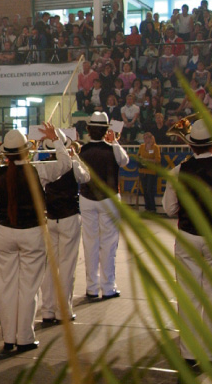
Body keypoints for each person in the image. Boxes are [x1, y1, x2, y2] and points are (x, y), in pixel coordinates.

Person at [0, 126, 71, 352]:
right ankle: (24, 337)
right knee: (28, 289)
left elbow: (5, 173)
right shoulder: (39, 171)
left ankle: (8, 338)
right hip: (32, 233)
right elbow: (66, 164)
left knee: (6, 287)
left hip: (5, 232)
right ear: (26, 150)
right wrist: (56, 140)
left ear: (5, 153)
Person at [162, 119, 212, 366]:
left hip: (188, 237)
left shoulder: (179, 171)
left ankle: (188, 353)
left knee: (188, 296)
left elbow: (169, 208)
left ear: (191, 145)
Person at [38, 135, 91, 325]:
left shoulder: (42, 165)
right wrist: (74, 156)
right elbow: (86, 177)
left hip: (51, 217)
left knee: (50, 266)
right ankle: (63, 310)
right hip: (69, 217)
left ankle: (48, 309)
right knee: (67, 266)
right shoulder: (71, 165)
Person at [79, 111, 129, 300]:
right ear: (107, 129)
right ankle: (108, 287)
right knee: (109, 244)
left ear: (88, 130)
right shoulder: (113, 149)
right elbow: (125, 161)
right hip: (109, 199)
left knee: (90, 243)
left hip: (86, 198)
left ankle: (92, 287)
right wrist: (114, 141)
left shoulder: (82, 150)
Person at [138, 133, 161, 213]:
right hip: (143, 171)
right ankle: (147, 208)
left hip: (151, 171)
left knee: (149, 190)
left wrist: (147, 160)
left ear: (151, 138)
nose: (145, 139)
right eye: (144, 138)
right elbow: (139, 156)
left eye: (147, 138)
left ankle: (152, 208)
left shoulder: (155, 147)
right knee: (144, 190)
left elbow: (157, 160)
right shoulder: (141, 146)